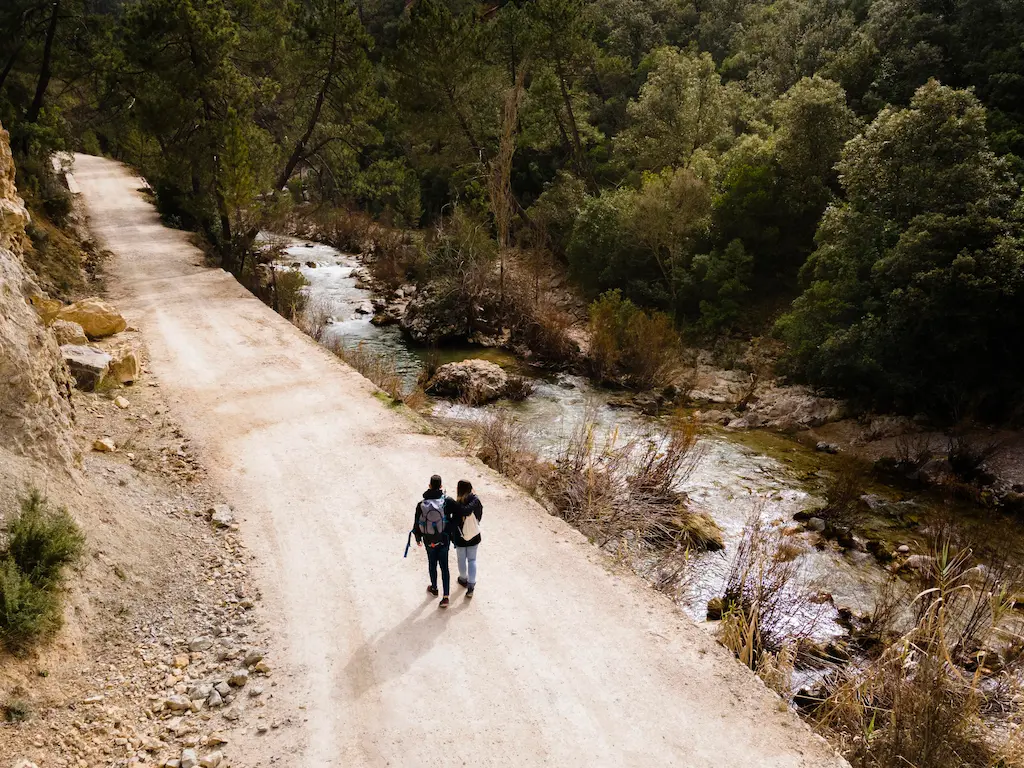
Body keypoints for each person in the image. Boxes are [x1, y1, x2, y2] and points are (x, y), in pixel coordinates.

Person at [413, 474, 457, 608]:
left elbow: (416, 523)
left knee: (432, 564)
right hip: (443, 539)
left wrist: (418, 537)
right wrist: (451, 529)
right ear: (441, 486)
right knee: (444, 567)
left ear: (429, 486)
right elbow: (458, 513)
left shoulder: (421, 504)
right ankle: (445, 597)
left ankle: (434, 588)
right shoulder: (447, 501)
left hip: (429, 540)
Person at [451, 479, 483, 598]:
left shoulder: (457, 503)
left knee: (461, 559)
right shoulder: (475, 501)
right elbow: (479, 516)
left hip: (460, 536)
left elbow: (454, 520)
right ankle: (471, 586)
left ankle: (463, 579)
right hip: (474, 535)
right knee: (472, 560)